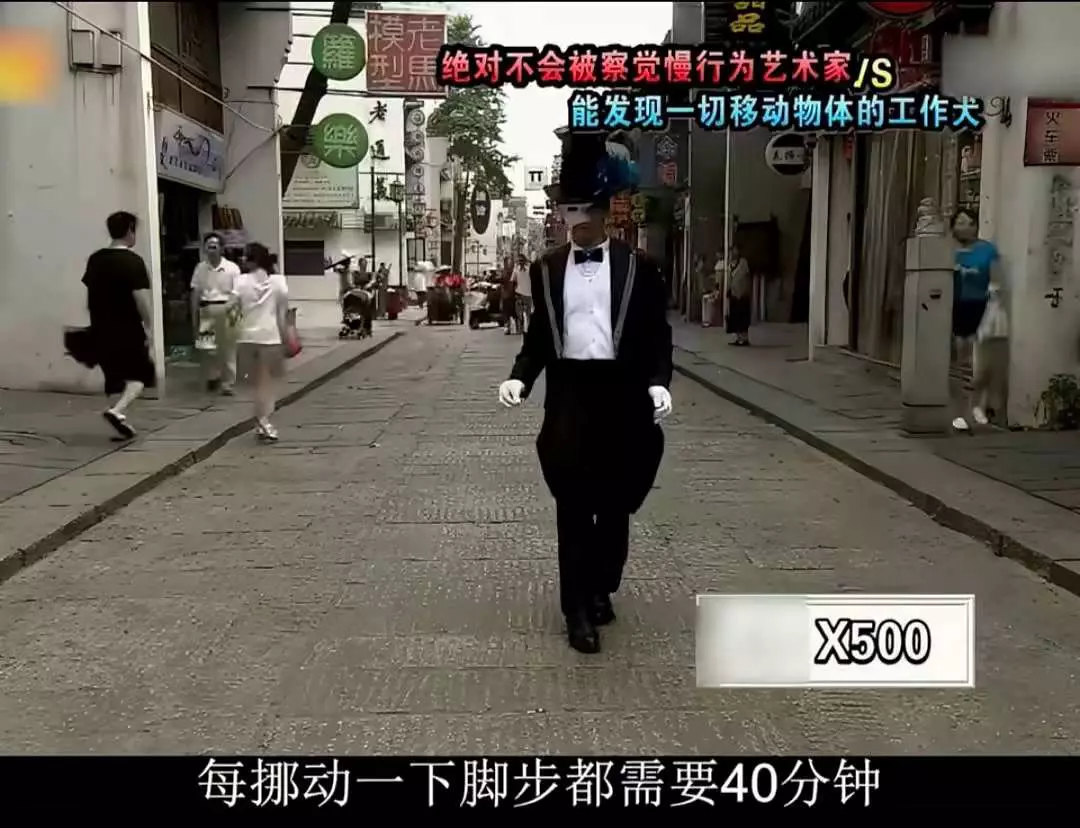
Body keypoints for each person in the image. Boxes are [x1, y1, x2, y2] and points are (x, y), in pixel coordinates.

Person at [497, 129, 673, 654]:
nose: (576, 219)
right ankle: (577, 609)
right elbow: (539, 335)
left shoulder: (640, 268)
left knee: (615, 505)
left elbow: (656, 334)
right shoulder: (546, 269)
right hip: (569, 395)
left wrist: (658, 384)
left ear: (605, 210)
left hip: (623, 395)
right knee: (573, 505)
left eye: (585, 209)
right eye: (568, 208)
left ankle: (602, 584)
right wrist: (520, 376)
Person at [81, 211, 156, 440]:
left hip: (101, 326)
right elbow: (141, 299)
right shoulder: (133, 262)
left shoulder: (95, 259)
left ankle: (120, 420)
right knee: (140, 375)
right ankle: (117, 411)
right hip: (127, 327)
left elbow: (90, 294)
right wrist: (149, 327)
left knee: (115, 376)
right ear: (130, 230)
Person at [950, 208, 1007, 431]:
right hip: (957, 307)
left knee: (982, 363)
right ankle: (963, 409)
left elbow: (996, 280)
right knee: (961, 361)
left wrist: (994, 298)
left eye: (967, 222)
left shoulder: (987, 251)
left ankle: (978, 405)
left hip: (981, 307)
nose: (962, 227)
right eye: (958, 222)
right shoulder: (949, 251)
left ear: (975, 226)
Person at [235, 242, 289, 442]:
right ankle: (264, 421)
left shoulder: (240, 281)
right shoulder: (279, 282)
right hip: (270, 337)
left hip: (246, 338)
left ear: (252, 260)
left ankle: (261, 422)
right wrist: (286, 339)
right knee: (267, 384)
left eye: (245, 256)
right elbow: (282, 316)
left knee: (256, 384)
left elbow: (232, 309)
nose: (242, 259)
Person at [190, 232, 241, 394]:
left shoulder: (232, 268)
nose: (211, 250)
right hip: (207, 308)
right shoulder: (200, 268)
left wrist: (227, 310)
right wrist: (194, 315)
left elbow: (237, 293)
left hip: (227, 309)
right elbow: (196, 291)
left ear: (221, 249)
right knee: (208, 347)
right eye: (208, 247)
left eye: (214, 246)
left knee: (228, 348)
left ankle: (228, 382)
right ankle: (213, 377)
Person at [725, 244, 752, 346]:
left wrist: (745, 291)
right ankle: (738, 337)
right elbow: (730, 278)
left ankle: (744, 338)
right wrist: (728, 290)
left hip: (742, 294)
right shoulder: (730, 264)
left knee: (743, 317)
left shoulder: (743, 262)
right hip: (734, 294)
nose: (733, 253)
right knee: (735, 317)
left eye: (734, 250)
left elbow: (745, 277)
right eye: (731, 251)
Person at [513, 254, 533, 333]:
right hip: (519, 294)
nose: (520, 262)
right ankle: (520, 329)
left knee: (528, 313)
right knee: (519, 313)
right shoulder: (516, 270)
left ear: (525, 261)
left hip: (529, 294)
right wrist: (515, 293)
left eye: (522, 260)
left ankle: (529, 329)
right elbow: (513, 282)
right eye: (519, 261)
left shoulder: (529, 269)